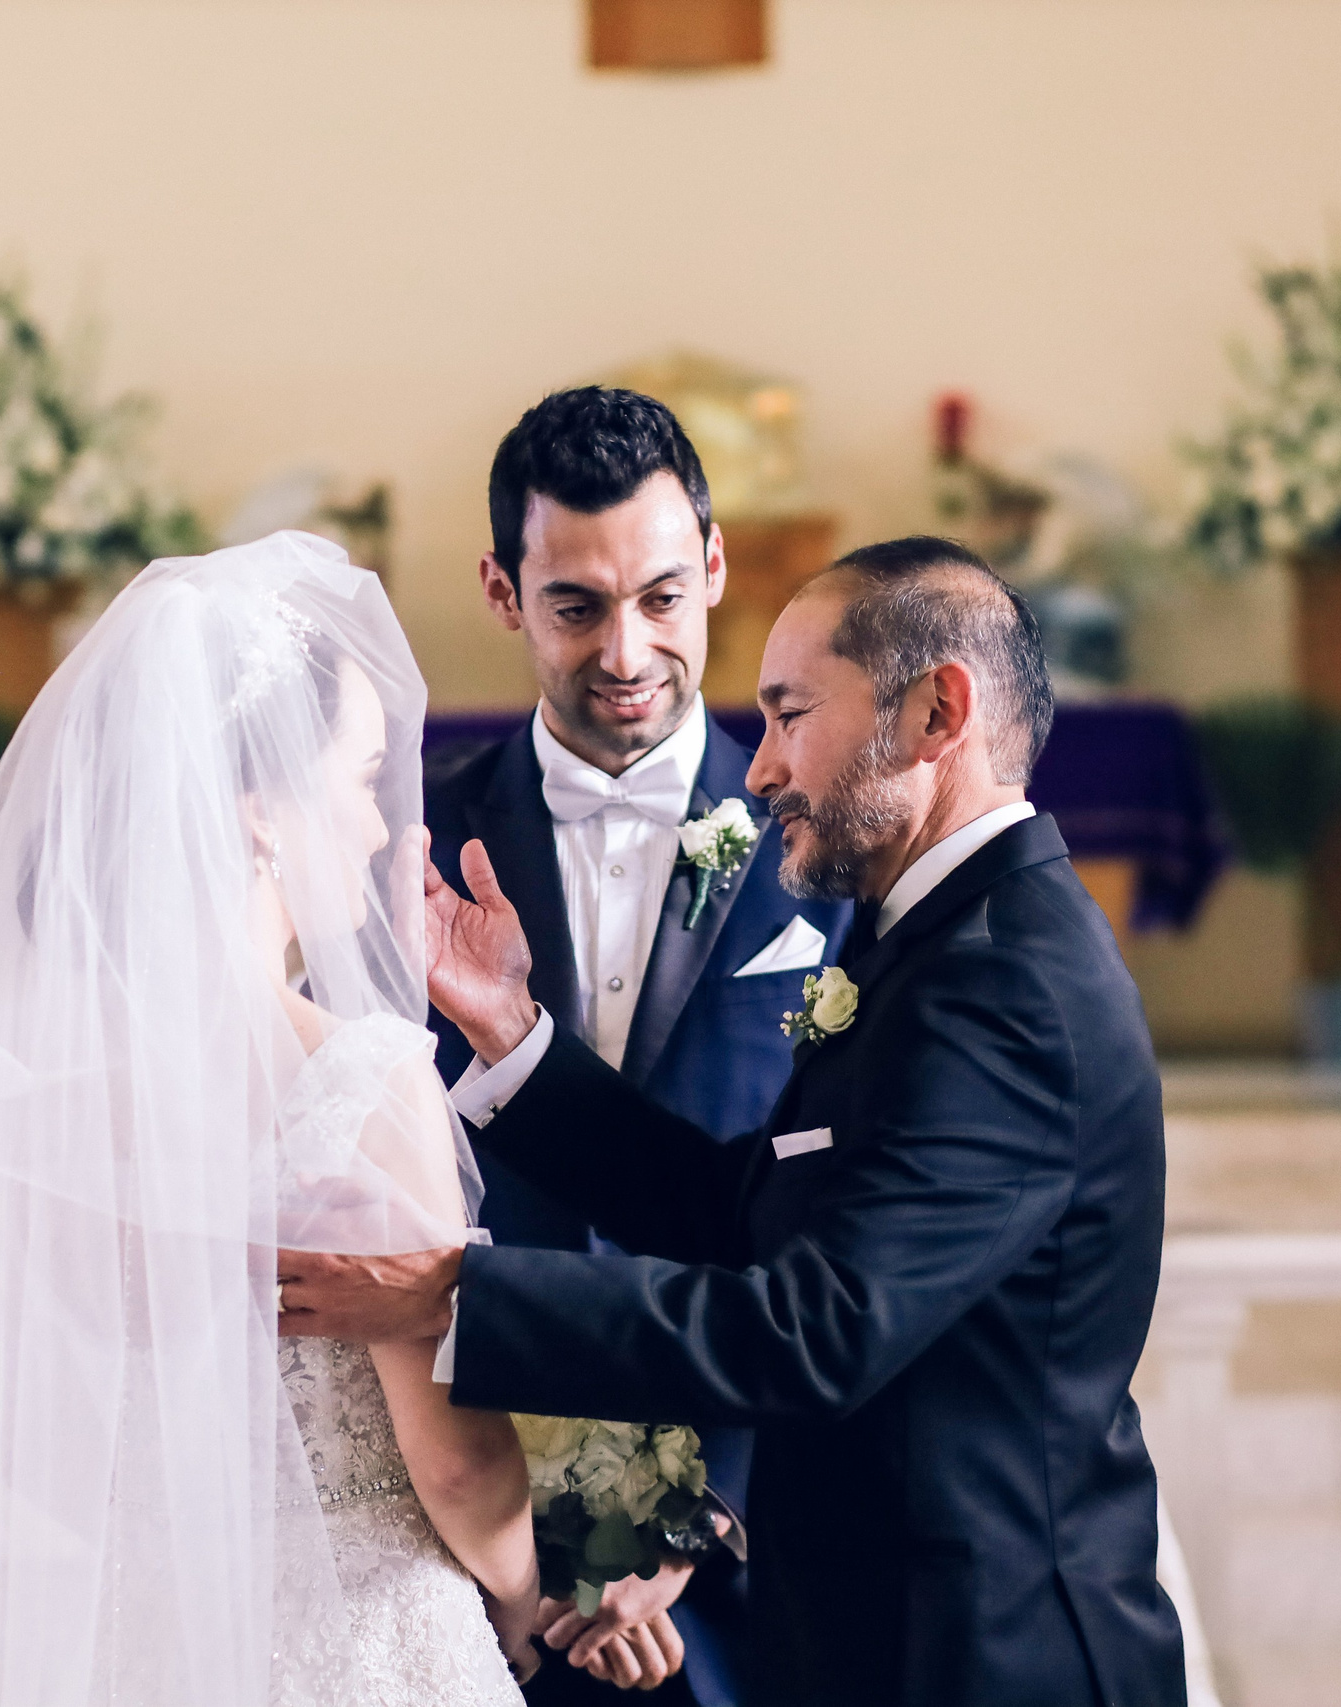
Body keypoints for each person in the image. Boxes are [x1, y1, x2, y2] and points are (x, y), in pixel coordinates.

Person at [281, 537, 1189, 1707]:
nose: (756, 774)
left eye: (788, 715)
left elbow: (818, 1326)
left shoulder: (1004, 981)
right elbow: (750, 1211)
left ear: (935, 711)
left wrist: (451, 1293)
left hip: (982, 1653)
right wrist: (512, 1035)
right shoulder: (939, 944)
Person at [0, 532, 538, 1707]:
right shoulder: (363, 1080)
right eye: (357, 778)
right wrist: (533, 1595)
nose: (385, 822)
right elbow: (452, 1460)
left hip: (130, 1639)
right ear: (261, 813)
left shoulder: (34, 1099)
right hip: (355, 1641)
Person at [424, 387, 852, 1702]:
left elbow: (833, 1210)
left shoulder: (830, 847)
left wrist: (676, 1513)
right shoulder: (412, 851)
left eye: (663, 597)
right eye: (577, 605)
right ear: (504, 590)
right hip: (480, 1543)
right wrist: (522, 1549)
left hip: (759, 1524)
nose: (627, 648)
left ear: (717, 568)